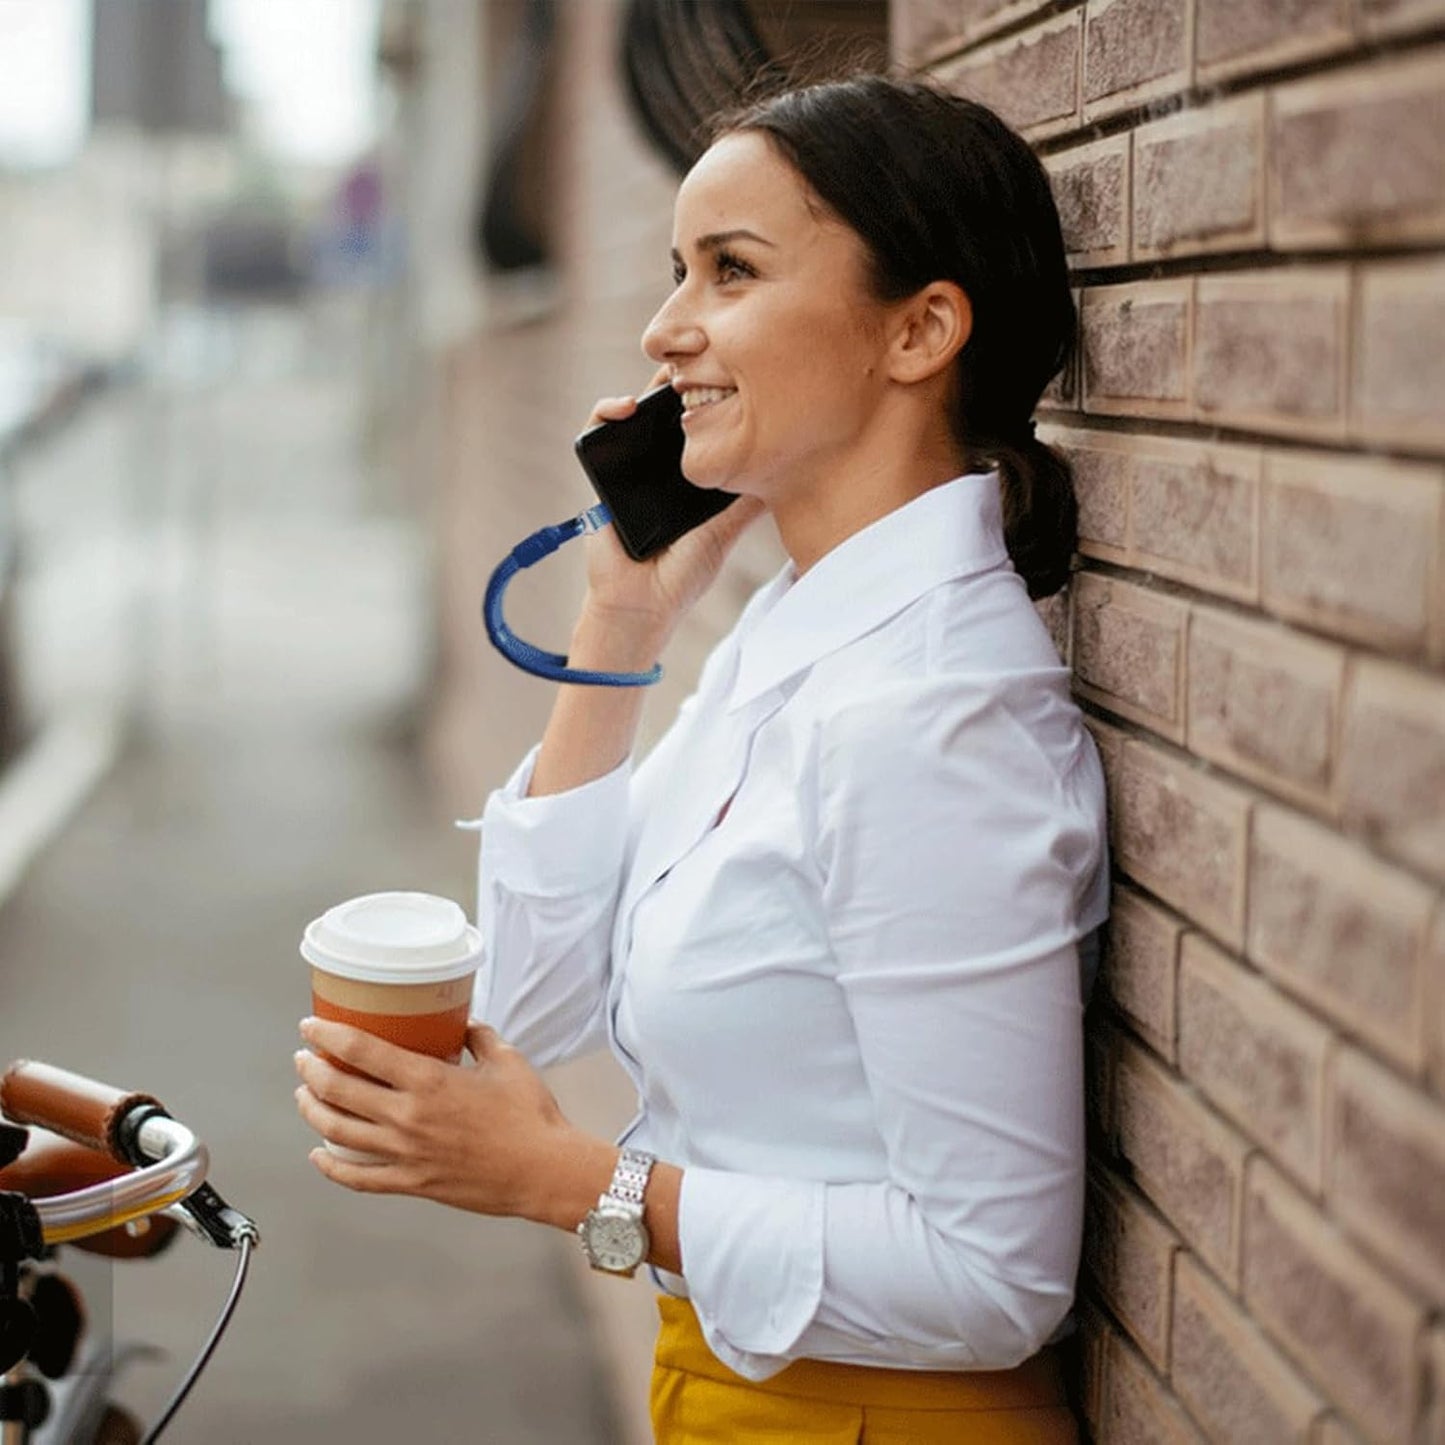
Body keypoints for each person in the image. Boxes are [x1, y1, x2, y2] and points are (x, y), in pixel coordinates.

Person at [294, 74, 1109, 1443]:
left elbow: (993, 1278)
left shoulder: (930, 720)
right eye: (678, 270)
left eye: (729, 272)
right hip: (726, 1388)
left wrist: (577, 1186)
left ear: (917, 329)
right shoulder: (790, 636)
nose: (665, 330)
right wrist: (619, 623)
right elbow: (531, 1001)